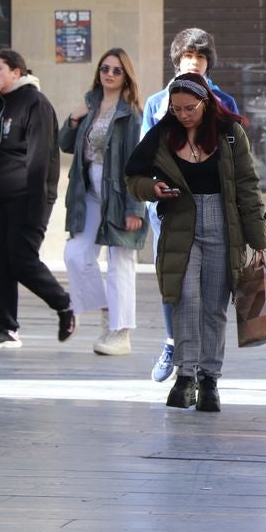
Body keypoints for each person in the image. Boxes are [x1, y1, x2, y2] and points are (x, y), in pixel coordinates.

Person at [125, 73, 266, 412]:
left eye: (190, 108)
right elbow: (133, 175)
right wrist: (153, 189)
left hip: (223, 223)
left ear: (206, 103)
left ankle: (209, 380)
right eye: (176, 109)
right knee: (184, 299)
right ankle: (184, 376)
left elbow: (247, 185)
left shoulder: (230, 134)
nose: (183, 115)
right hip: (180, 224)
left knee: (214, 306)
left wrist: (258, 239)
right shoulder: (163, 133)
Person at [0, 49, 76, 349]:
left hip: (27, 198)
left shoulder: (35, 104)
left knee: (21, 260)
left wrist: (38, 207)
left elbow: (39, 160)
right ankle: (7, 327)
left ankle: (63, 304)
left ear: (17, 72)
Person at [144, 28, 240, 382]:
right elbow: (143, 155)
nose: (194, 63)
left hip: (214, 207)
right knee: (175, 281)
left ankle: (204, 370)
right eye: (188, 57)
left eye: (200, 58)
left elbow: (238, 158)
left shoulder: (224, 102)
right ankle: (173, 343)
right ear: (177, 61)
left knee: (212, 292)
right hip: (170, 209)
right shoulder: (157, 102)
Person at [59, 48, 148, 356]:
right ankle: (108, 309)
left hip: (121, 194)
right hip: (88, 192)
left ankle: (121, 333)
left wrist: (135, 207)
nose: (108, 74)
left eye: (116, 70)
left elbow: (141, 163)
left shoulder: (132, 115)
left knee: (120, 263)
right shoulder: (91, 104)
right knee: (76, 254)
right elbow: (66, 145)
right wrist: (74, 117)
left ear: (126, 77)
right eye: (105, 68)